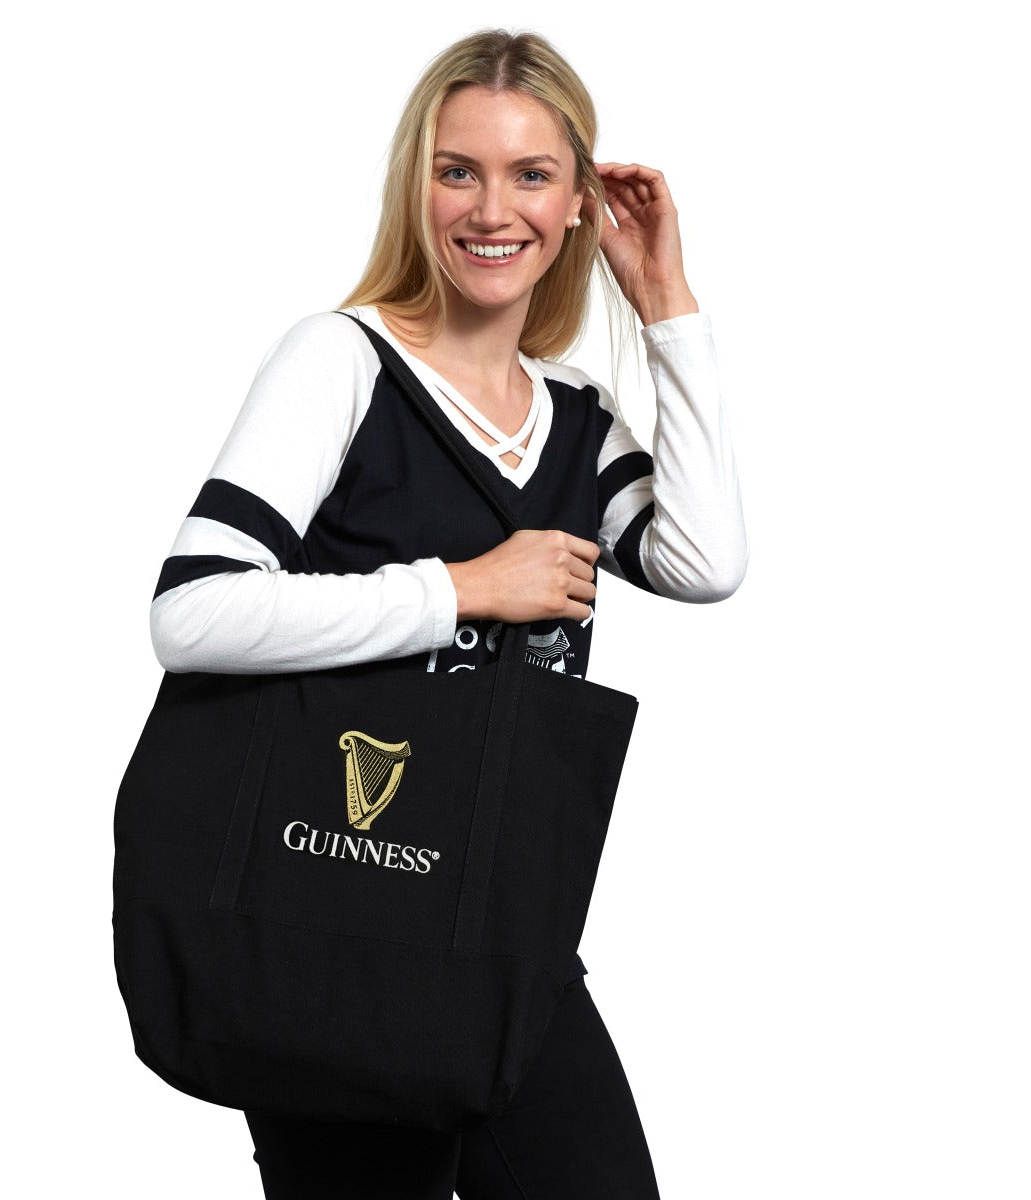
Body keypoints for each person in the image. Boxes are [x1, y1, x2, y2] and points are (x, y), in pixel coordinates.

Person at [148, 28, 746, 1200]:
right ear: (416, 187)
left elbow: (705, 560)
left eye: (532, 175)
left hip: (501, 934)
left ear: (579, 202)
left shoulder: (574, 419)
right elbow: (194, 609)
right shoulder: (342, 362)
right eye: (457, 169)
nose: (492, 209)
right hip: (332, 924)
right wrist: (463, 590)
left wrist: (667, 308)